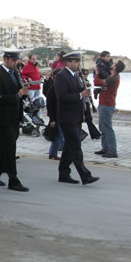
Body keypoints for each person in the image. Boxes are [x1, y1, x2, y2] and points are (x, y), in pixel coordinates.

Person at [54, 51, 99, 185]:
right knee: (76, 146)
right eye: (76, 62)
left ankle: (63, 173)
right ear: (68, 62)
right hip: (67, 117)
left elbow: (78, 91)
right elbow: (62, 96)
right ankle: (85, 175)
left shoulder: (75, 76)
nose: (79, 64)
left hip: (76, 116)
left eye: (79, 61)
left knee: (69, 146)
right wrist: (80, 95)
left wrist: (85, 90)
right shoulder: (62, 76)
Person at [0, 50, 30, 192]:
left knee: (4, 146)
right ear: (5, 59)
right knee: (10, 148)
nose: (15, 62)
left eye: (16, 60)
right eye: (13, 60)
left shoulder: (15, 73)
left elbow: (18, 93)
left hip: (14, 116)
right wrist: (17, 95)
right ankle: (13, 179)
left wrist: (23, 93)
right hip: (3, 118)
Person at [94, 60, 125, 158]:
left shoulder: (114, 78)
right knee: (103, 127)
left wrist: (97, 73)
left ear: (116, 67)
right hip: (105, 104)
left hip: (107, 105)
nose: (112, 63)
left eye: (114, 63)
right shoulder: (111, 76)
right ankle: (106, 148)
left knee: (107, 128)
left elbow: (97, 82)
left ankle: (112, 150)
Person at [46, 68, 64, 160]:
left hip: (61, 114)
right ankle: (69, 156)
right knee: (63, 138)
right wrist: (52, 119)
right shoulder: (53, 88)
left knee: (56, 136)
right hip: (56, 116)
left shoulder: (61, 86)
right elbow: (49, 105)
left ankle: (52, 153)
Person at [21, 54, 42, 123]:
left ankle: (37, 118)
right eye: (33, 59)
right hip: (31, 88)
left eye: (35, 59)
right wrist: (27, 78)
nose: (34, 60)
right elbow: (22, 75)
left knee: (38, 104)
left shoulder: (36, 66)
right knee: (31, 105)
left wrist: (40, 76)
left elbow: (36, 74)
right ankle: (31, 119)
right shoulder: (27, 66)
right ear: (29, 59)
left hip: (38, 87)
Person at [81, 68, 101, 140]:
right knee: (85, 119)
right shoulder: (80, 80)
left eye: (86, 74)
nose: (85, 76)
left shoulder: (86, 81)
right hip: (82, 102)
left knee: (88, 119)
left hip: (86, 101)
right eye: (84, 74)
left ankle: (95, 134)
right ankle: (95, 134)